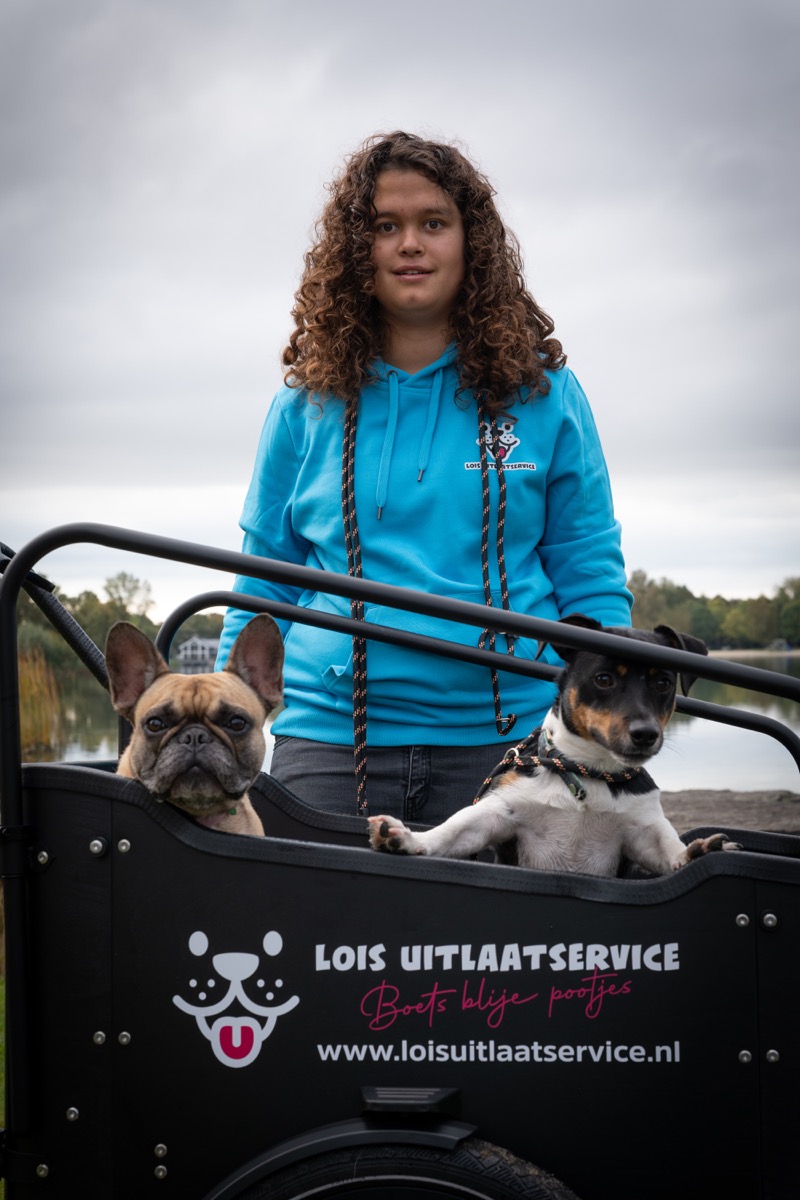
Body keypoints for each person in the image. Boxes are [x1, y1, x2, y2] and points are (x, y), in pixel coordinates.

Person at [216, 130, 632, 821]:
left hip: (515, 742)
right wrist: (229, 714)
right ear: (357, 252)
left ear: (471, 243)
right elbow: (265, 574)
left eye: (433, 223)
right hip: (328, 743)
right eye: (386, 227)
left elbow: (586, 566)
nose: (411, 244)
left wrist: (614, 715)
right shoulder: (303, 403)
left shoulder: (548, 395)